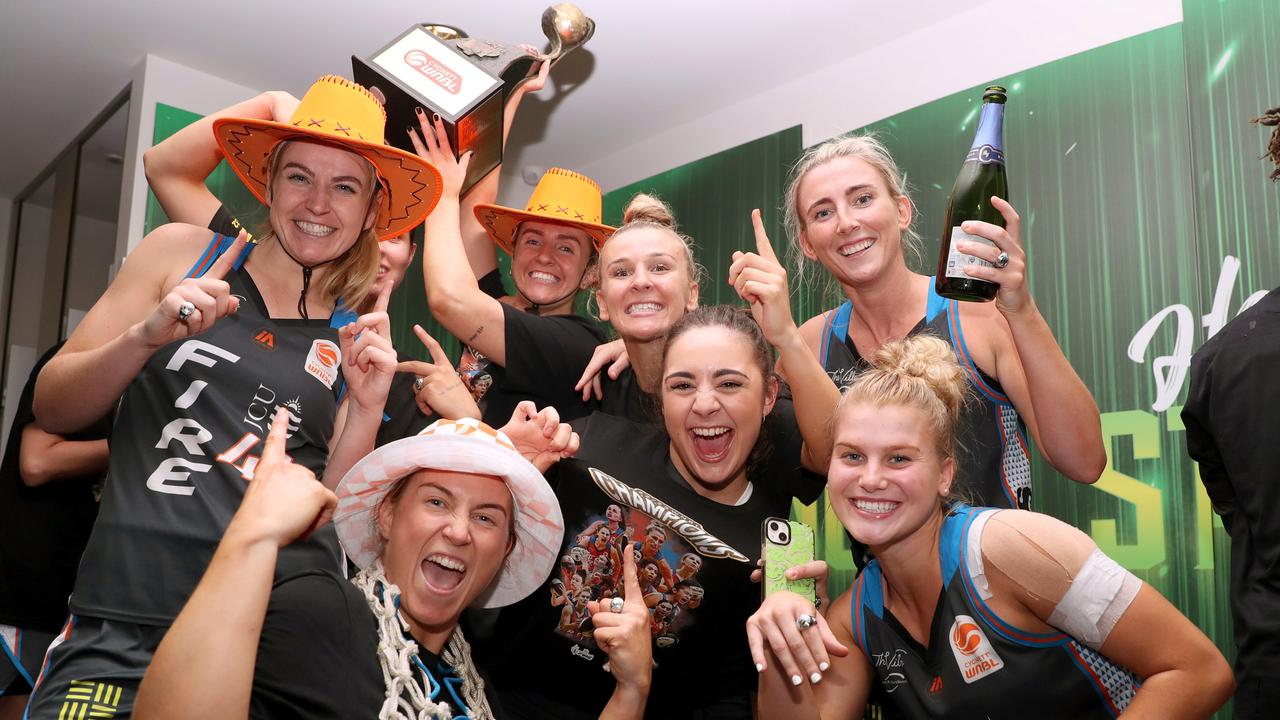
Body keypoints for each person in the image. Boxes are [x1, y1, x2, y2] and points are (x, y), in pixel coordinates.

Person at [24, 75, 437, 718]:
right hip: (122, 620)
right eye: (300, 176)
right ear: (268, 184)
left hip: (261, 639)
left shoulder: (349, 337)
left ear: (370, 211)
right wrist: (142, 338)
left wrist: (362, 406)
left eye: (346, 186)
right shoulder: (186, 256)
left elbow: (324, 514)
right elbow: (53, 409)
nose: (319, 203)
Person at [748, 335, 1235, 719]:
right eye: (851, 456)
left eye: (899, 458)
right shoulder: (855, 618)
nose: (870, 479)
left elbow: (1198, 671)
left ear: (945, 474)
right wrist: (780, 627)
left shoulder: (1012, 549)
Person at [134, 406, 653, 719]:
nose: (457, 531)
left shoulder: (475, 689)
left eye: (487, 518)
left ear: (505, 554)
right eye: (436, 502)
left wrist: (632, 689)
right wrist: (251, 538)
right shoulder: (323, 610)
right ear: (386, 516)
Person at [782, 133, 1105, 511]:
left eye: (863, 199)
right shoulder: (808, 343)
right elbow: (792, 468)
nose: (847, 222)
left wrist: (1023, 310)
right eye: (823, 212)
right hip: (880, 572)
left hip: (998, 566)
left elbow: (1085, 462)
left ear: (902, 211)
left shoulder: (976, 312)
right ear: (807, 243)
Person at [0, 343, 110, 720]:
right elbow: (36, 462)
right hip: (24, 586)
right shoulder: (83, 364)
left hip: (71, 595)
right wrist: (129, 444)